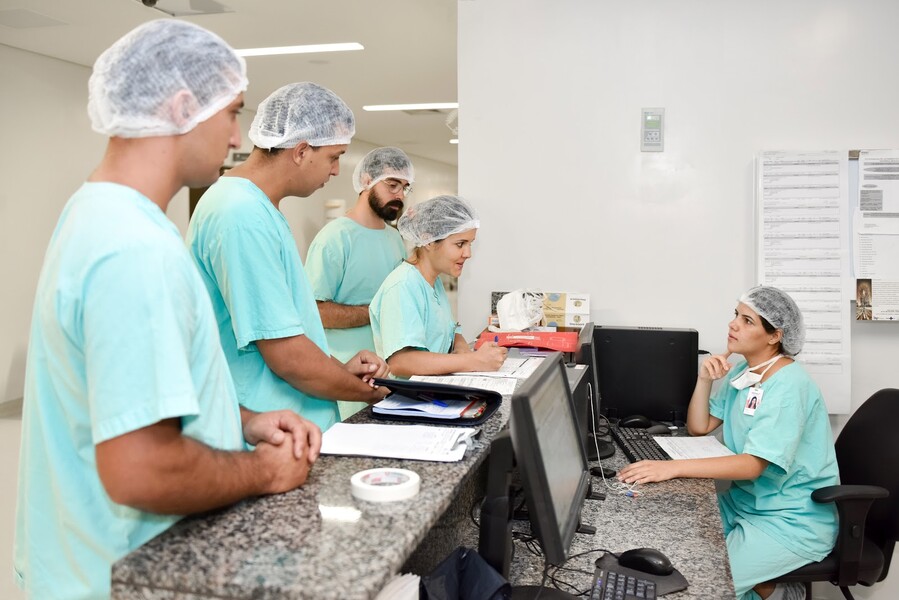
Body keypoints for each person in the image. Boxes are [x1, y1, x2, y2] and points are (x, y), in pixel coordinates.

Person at [14, 21, 321, 599]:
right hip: (125, 573)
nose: (237, 138)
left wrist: (242, 420)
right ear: (182, 107)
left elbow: (122, 395)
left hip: (82, 563)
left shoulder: (93, 213)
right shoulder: (136, 249)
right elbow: (142, 469)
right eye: (232, 113)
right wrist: (264, 470)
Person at [187, 82, 390, 433]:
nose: (336, 171)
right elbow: (287, 356)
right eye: (334, 157)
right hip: (267, 433)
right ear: (301, 151)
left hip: (293, 425)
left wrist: (340, 370)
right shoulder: (241, 215)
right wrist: (371, 393)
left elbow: (288, 328)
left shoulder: (258, 208)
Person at [617, 286, 838, 600]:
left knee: (702, 586)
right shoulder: (747, 372)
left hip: (789, 520)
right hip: (743, 504)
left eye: (747, 321)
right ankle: (763, 588)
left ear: (775, 336)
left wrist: (673, 468)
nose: (733, 324)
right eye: (736, 315)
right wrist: (705, 379)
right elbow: (699, 427)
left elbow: (752, 466)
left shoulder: (789, 387)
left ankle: (783, 594)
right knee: (670, 543)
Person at [305, 147, 414, 419]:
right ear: (366, 180)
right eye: (392, 185)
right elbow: (313, 312)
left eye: (404, 188)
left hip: (389, 374)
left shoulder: (394, 239)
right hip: (348, 377)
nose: (400, 195)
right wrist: (374, 311)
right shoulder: (334, 238)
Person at [369, 195, 507, 377]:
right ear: (428, 240)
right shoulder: (403, 286)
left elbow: (449, 330)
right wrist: (474, 361)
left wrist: (461, 347)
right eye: (460, 244)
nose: (468, 253)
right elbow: (401, 362)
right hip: (409, 394)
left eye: (470, 244)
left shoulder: (433, 282)